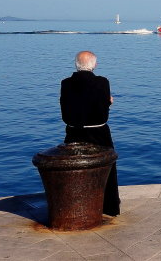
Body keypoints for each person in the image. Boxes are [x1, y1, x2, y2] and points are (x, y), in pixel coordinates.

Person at [60, 50, 120, 216]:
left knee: (74, 170)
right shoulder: (102, 82)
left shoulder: (65, 83)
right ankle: (109, 206)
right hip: (99, 132)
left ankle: (76, 205)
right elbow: (100, 107)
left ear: (76, 65)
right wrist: (108, 102)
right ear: (94, 64)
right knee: (107, 167)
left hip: (73, 132)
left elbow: (65, 109)